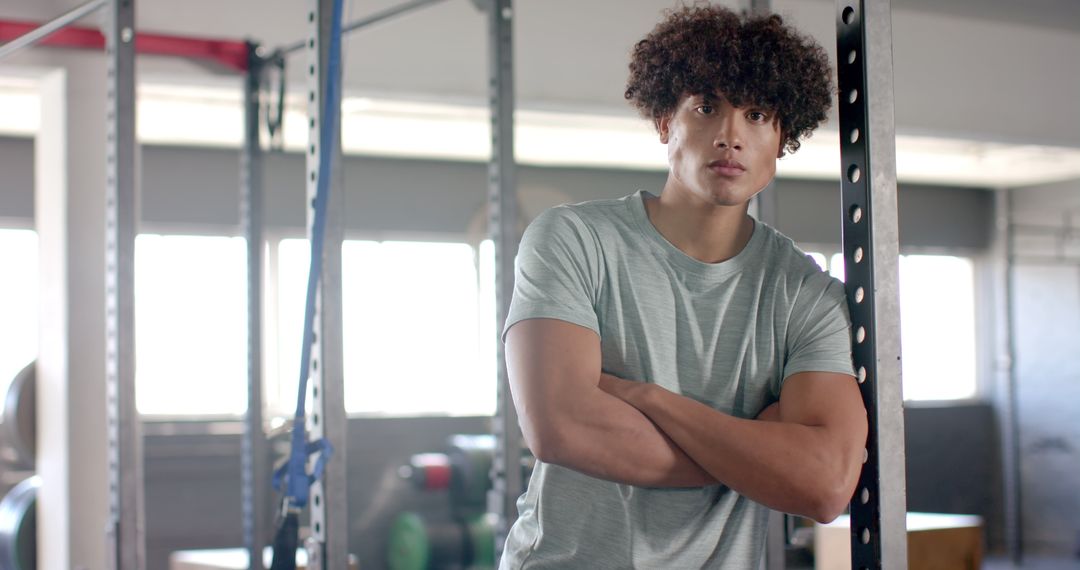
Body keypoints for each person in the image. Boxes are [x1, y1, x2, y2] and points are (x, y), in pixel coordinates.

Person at [500, 3, 868, 569]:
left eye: (756, 115)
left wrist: (645, 398)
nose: (730, 136)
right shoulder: (574, 239)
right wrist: (755, 451)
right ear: (667, 123)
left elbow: (823, 485)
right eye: (706, 107)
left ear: (781, 138)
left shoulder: (808, 294)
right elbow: (561, 427)